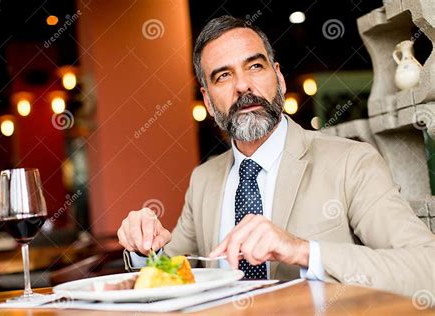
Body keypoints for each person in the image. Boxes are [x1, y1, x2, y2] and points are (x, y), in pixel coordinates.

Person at [117, 15, 435, 297]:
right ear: (208, 101)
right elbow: (170, 271)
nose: (243, 85)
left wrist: (303, 251)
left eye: (255, 66)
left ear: (279, 78)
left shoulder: (352, 163)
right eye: (222, 76)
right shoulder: (204, 180)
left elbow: (427, 268)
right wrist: (146, 245)